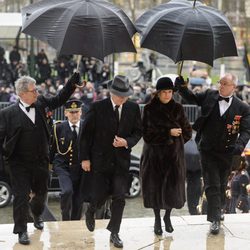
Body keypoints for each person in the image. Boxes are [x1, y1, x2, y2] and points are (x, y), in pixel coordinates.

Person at [0, 73, 80, 245]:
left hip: (41, 162)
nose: (37, 93)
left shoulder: (42, 103)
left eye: (36, 90)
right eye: (33, 91)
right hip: (18, 164)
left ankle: (36, 214)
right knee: (21, 196)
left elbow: (59, 99)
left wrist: (72, 82)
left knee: (41, 195)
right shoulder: (7, 114)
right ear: (22, 94)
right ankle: (21, 230)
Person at [176, 73, 250, 235]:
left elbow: (246, 131)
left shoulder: (242, 108)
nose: (221, 86)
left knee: (222, 184)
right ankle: (214, 218)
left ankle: (219, 210)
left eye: (225, 83)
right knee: (212, 184)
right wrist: (182, 88)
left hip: (227, 152)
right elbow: (192, 99)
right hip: (207, 149)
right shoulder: (210, 95)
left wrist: (238, 146)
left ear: (233, 87)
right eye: (220, 82)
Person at [80, 75, 142, 248]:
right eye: (120, 95)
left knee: (120, 197)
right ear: (111, 93)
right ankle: (91, 210)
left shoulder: (133, 108)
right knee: (99, 196)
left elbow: (138, 132)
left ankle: (114, 232)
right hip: (100, 161)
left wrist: (127, 142)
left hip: (121, 162)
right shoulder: (97, 107)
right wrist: (85, 158)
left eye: (126, 95)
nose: (123, 98)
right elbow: (85, 136)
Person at [140, 76, 192, 236]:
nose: (167, 95)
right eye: (164, 92)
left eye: (170, 92)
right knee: (154, 189)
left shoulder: (178, 108)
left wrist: (177, 140)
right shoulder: (149, 109)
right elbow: (146, 135)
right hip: (154, 157)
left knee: (172, 189)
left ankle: (167, 217)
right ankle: (157, 219)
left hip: (173, 158)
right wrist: (168, 133)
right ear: (158, 93)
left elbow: (187, 132)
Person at [50, 99, 84, 221]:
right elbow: (53, 149)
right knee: (67, 191)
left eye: (77, 112)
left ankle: (75, 223)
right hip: (63, 166)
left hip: (81, 167)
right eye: (71, 112)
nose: (74, 115)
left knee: (79, 199)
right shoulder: (58, 128)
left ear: (81, 112)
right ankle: (65, 217)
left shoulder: (87, 126)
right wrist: (49, 165)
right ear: (65, 113)